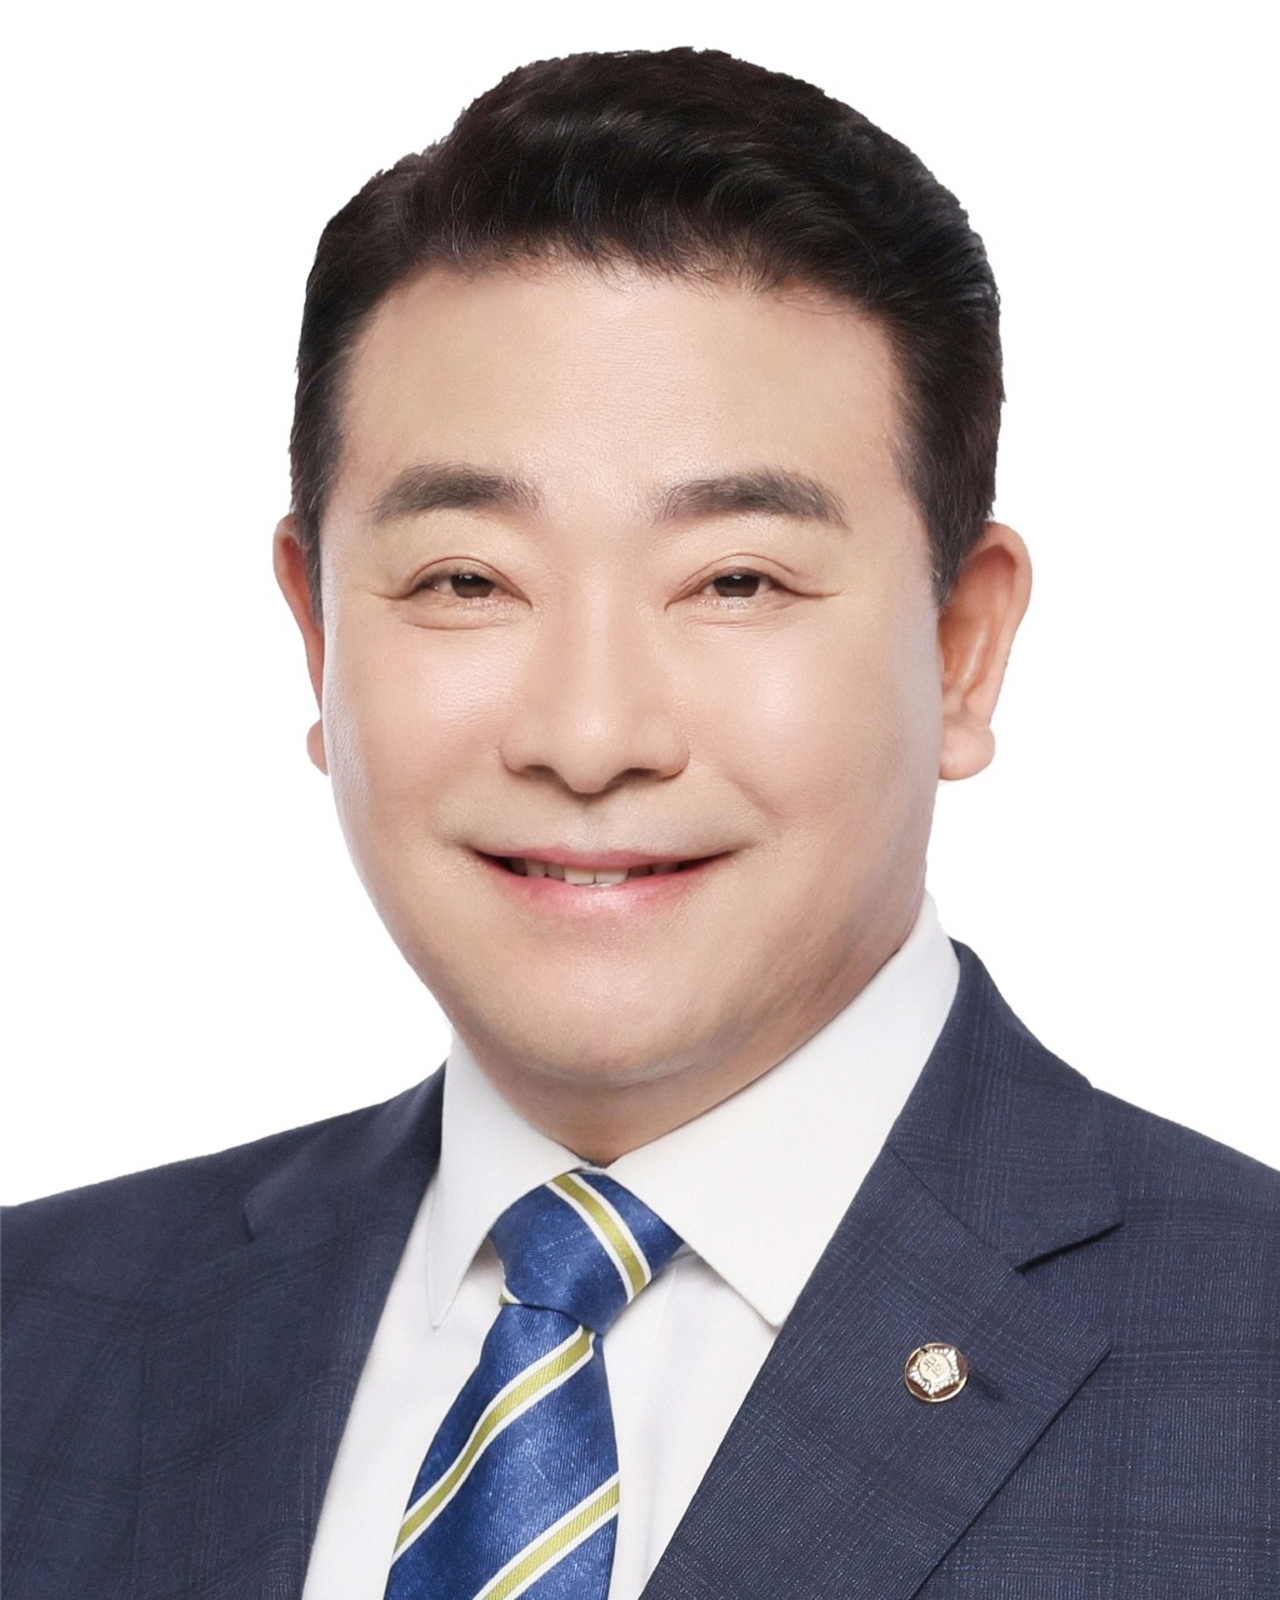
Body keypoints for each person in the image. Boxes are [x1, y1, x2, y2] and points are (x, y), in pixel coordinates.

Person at [3, 46, 1276, 1600]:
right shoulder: (40, 1335)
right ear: (319, 633)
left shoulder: (1246, 1363)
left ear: (961, 648)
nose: (590, 737)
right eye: (467, 580)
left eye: (736, 580)